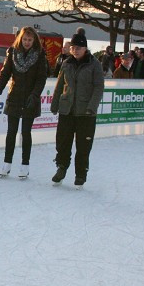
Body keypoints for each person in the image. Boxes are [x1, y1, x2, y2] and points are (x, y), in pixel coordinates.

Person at [50, 28, 104, 187]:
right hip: (67, 110)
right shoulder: (66, 63)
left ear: (85, 48)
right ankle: (61, 167)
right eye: (73, 48)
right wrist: (55, 104)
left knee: (83, 145)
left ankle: (81, 174)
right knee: (62, 142)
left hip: (85, 113)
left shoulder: (94, 64)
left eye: (78, 48)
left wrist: (92, 107)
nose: (75, 51)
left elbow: (98, 87)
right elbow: (60, 85)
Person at [0, 27, 47, 179]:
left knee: (26, 132)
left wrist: (34, 95)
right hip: (14, 96)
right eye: (25, 39)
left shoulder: (40, 56)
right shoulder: (13, 53)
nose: (27, 42)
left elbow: (41, 79)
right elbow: (5, 74)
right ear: (20, 39)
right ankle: (7, 163)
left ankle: (25, 165)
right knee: (11, 132)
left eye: (30, 40)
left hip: (30, 99)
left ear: (34, 41)